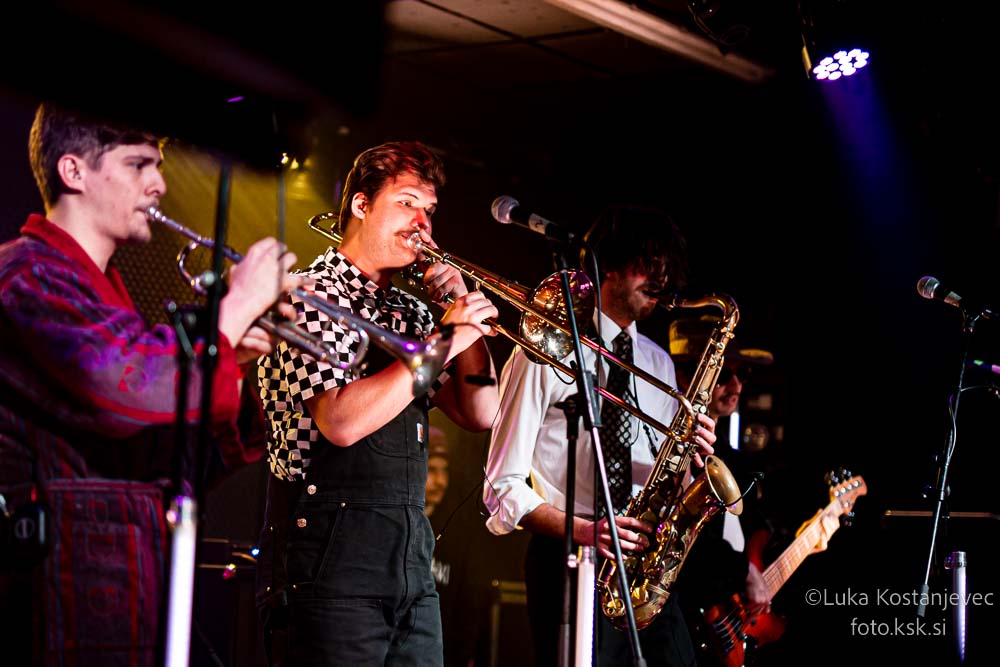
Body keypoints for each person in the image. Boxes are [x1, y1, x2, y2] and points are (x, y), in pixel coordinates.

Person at [0, 102, 301, 666]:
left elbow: (173, 465)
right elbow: (120, 387)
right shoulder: (26, 273)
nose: (159, 184)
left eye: (158, 165)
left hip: (120, 584)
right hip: (53, 595)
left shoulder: (107, 299)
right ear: (73, 171)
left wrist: (232, 362)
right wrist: (233, 309)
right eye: (139, 164)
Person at [255, 140, 499, 666]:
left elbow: (480, 413)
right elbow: (340, 420)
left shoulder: (412, 313)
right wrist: (447, 338)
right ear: (361, 205)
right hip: (327, 559)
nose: (422, 223)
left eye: (429, 210)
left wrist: (465, 318)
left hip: (409, 560)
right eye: (407, 202)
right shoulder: (308, 295)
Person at [484, 203, 717, 667]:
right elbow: (500, 487)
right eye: (648, 264)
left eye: (667, 268)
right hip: (571, 560)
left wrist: (693, 460)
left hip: (645, 568)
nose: (661, 280)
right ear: (609, 265)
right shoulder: (545, 348)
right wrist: (587, 531)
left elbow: (665, 475)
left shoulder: (658, 363)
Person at [668, 315, 775, 664]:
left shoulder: (735, 459)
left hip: (724, 617)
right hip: (684, 612)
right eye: (725, 375)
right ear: (687, 376)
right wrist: (744, 571)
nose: (736, 385)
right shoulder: (669, 447)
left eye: (742, 374)